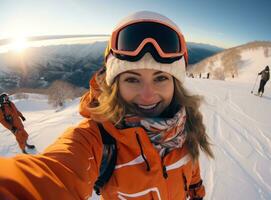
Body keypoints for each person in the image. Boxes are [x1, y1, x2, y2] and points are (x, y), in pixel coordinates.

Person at [0, 11, 214, 200]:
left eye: (160, 78)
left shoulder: (186, 125)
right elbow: (50, 178)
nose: (148, 95)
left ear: (175, 85)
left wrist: (196, 191)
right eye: (132, 79)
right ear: (115, 86)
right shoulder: (96, 140)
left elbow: (192, 170)